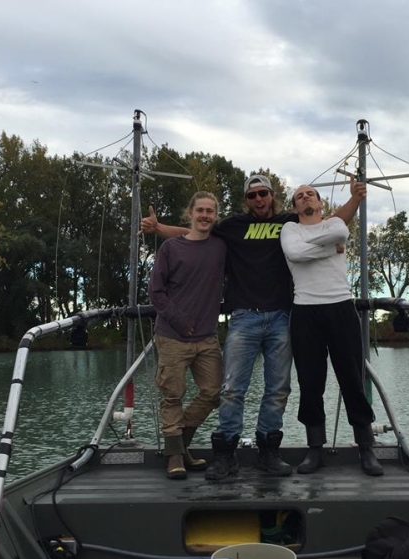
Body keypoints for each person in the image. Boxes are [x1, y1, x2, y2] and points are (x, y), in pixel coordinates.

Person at [141, 174, 364, 481]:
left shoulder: (290, 223)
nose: (259, 199)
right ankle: (225, 454)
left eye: (264, 194)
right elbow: (194, 232)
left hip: (282, 317)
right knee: (231, 390)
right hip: (244, 317)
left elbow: (332, 222)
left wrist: (354, 200)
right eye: (252, 195)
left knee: (277, 390)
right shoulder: (233, 226)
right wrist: (159, 229)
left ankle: (268, 451)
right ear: (245, 200)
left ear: (272, 196)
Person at [280, 180, 384, 476]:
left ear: (320, 202)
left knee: (352, 377)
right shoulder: (290, 230)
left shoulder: (334, 224)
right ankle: (315, 450)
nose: (304, 198)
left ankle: (366, 447)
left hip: (341, 307)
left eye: (309, 194)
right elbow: (294, 253)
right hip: (305, 311)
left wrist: (326, 241)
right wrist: (330, 249)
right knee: (310, 382)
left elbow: (340, 231)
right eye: (299, 197)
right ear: (294, 206)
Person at [148, 191, 226, 479]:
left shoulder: (221, 246)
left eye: (210, 211)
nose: (205, 215)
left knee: (214, 392)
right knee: (172, 395)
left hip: (206, 337)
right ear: (190, 213)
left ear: (215, 216)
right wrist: (179, 321)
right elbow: (156, 291)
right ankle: (175, 457)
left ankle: (180, 446)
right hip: (172, 335)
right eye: (200, 210)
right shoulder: (170, 248)